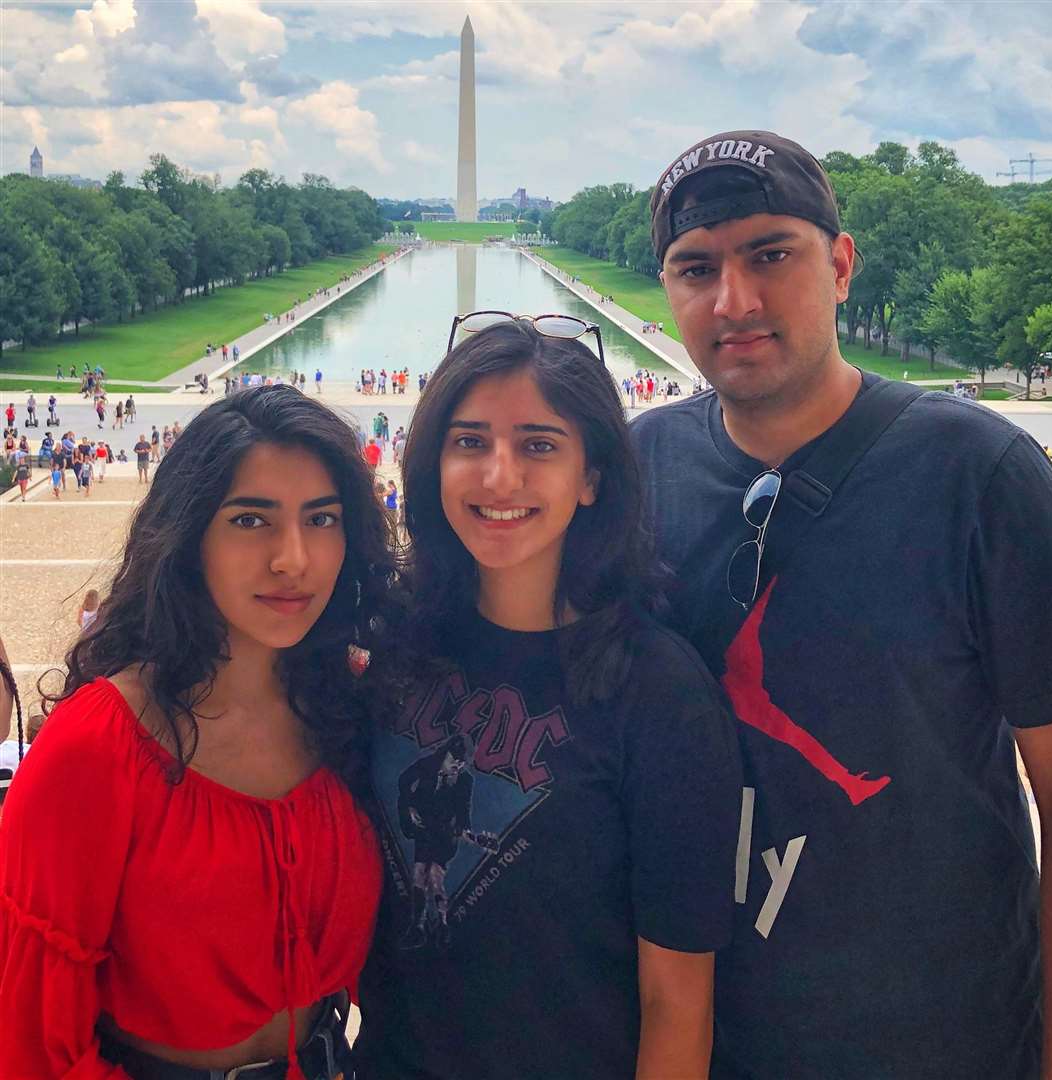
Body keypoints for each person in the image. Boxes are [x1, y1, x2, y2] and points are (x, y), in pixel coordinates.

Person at [631, 128, 1052, 1079]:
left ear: (841, 264)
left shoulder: (978, 474)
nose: (734, 300)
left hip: (940, 1044)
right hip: (700, 1044)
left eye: (770, 253)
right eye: (696, 268)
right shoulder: (636, 468)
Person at [355, 319, 741, 1079]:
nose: (499, 477)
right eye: (469, 442)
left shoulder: (657, 692)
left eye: (537, 445)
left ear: (591, 476)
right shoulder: (396, 639)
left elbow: (677, 1000)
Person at [0, 385, 410, 1078]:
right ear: (190, 539)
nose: (293, 559)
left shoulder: (349, 707)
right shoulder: (95, 747)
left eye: (322, 519)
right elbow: (31, 1033)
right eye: (251, 521)